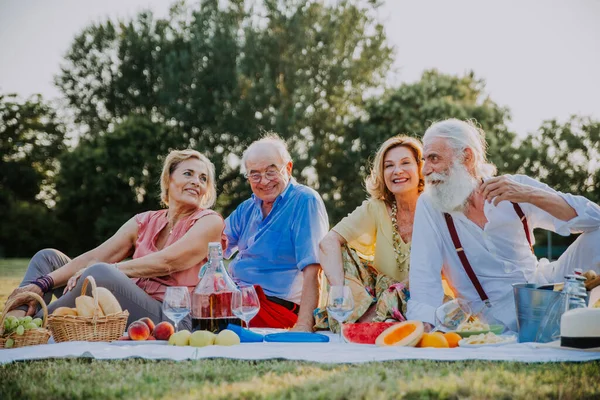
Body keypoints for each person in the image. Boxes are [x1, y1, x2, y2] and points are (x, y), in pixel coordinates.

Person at [407, 119, 600, 331]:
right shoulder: (430, 204)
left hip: (545, 291)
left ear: (467, 157)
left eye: (434, 158)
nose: (425, 169)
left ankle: (573, 317)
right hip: (496, 319)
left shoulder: (515, 186)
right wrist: (424, 327)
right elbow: (424, 274)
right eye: (425, 160)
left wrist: (530, 195)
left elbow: (594, 219)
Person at [6, 149, 227, 329]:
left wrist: (107, 271)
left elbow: (167, 262)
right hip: (124, 302)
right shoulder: (144, 220)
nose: (197, 182)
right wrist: (42, 283)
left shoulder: (209, 222)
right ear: (169, 179)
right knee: (48, 259)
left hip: (172, 316)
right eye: (188, 174)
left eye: (203, 178)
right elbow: (97, 256)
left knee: (99, 272)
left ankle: (32, 327)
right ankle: (14, 320)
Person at [316, 136, 424, 331]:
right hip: (377, 299)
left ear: (420, 168)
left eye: (405, 163)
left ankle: (374, 322)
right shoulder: (376, 208)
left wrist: (392, 295)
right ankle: (359, 320)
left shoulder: (437, 209)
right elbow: (328, 242)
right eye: (389, 165)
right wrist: (340, 292)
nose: (397, 171)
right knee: (340, 253)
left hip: (420, 297)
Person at [224, 134, 329, 332]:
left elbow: (314, 270)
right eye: (254, 174)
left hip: (275, 309)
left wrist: (304, 325)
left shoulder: (305, 200)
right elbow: (212, 244)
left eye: (271, 172)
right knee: (188, 301)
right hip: (237, 300)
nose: (263, 181)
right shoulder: (247, 207)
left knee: (192, 316)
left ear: (288, 168)